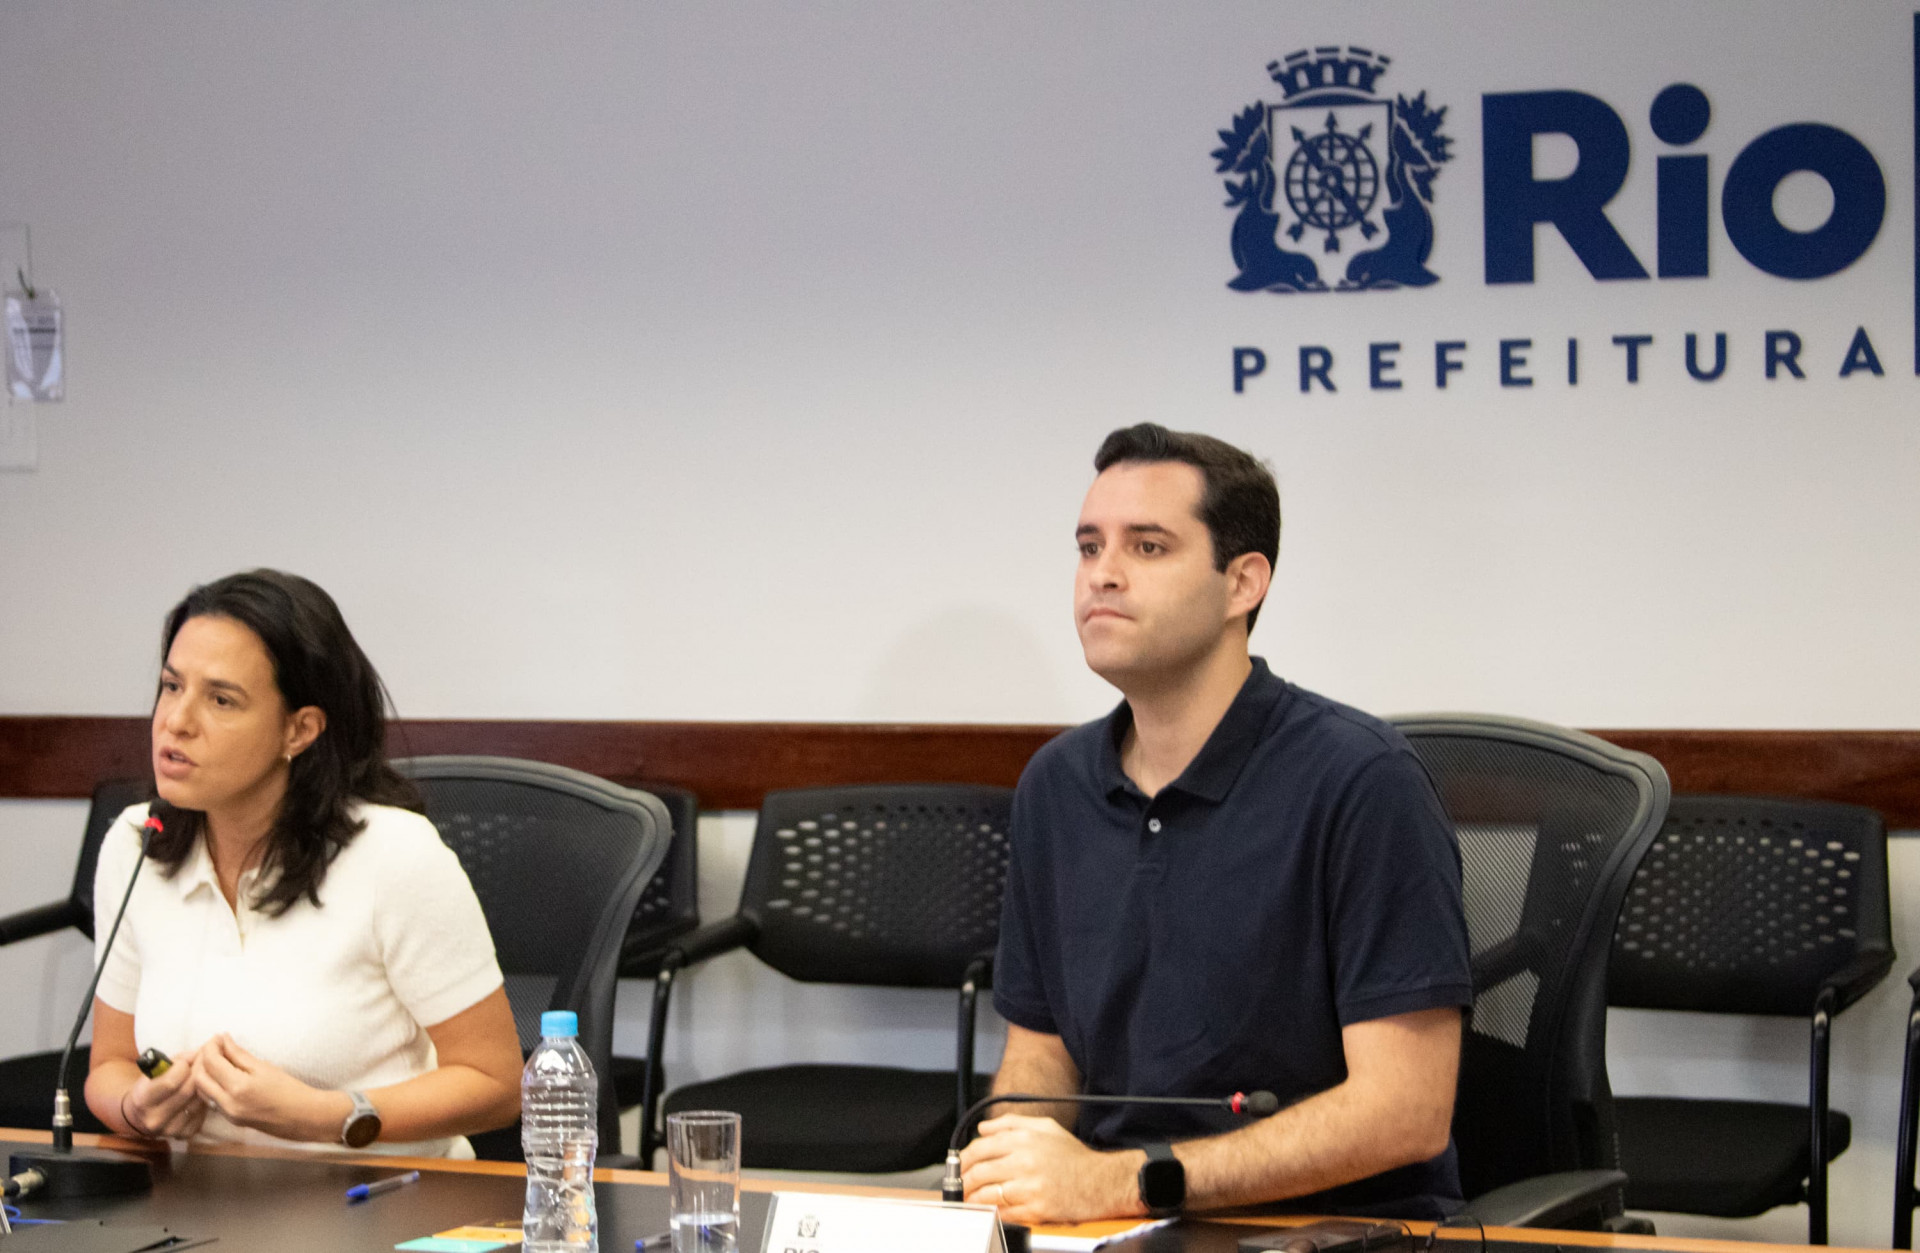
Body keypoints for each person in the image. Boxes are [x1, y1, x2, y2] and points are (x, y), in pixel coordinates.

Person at [958, 424, 1473, 1224]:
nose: (1103, 575)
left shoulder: (1362, 781)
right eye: (1089, 547)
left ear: (1243, 583)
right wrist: (1013, 1164)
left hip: (1326, 1229)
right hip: (1112, 1223)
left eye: (1149, 547)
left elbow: (1404, 1111)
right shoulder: (1055, 785)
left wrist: (1118, 1180)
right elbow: (1042, 1050)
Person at [83, 569, 522, 1157]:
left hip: (377, 1206)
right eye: (171, 686)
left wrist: (324, 1116)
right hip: (194, 1210)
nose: (176, 721)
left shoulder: (394, 856)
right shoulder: (137, 844)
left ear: (300, 730)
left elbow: (497, 1084)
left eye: (220, 699)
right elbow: (108, 1067)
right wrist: (136, 1109)